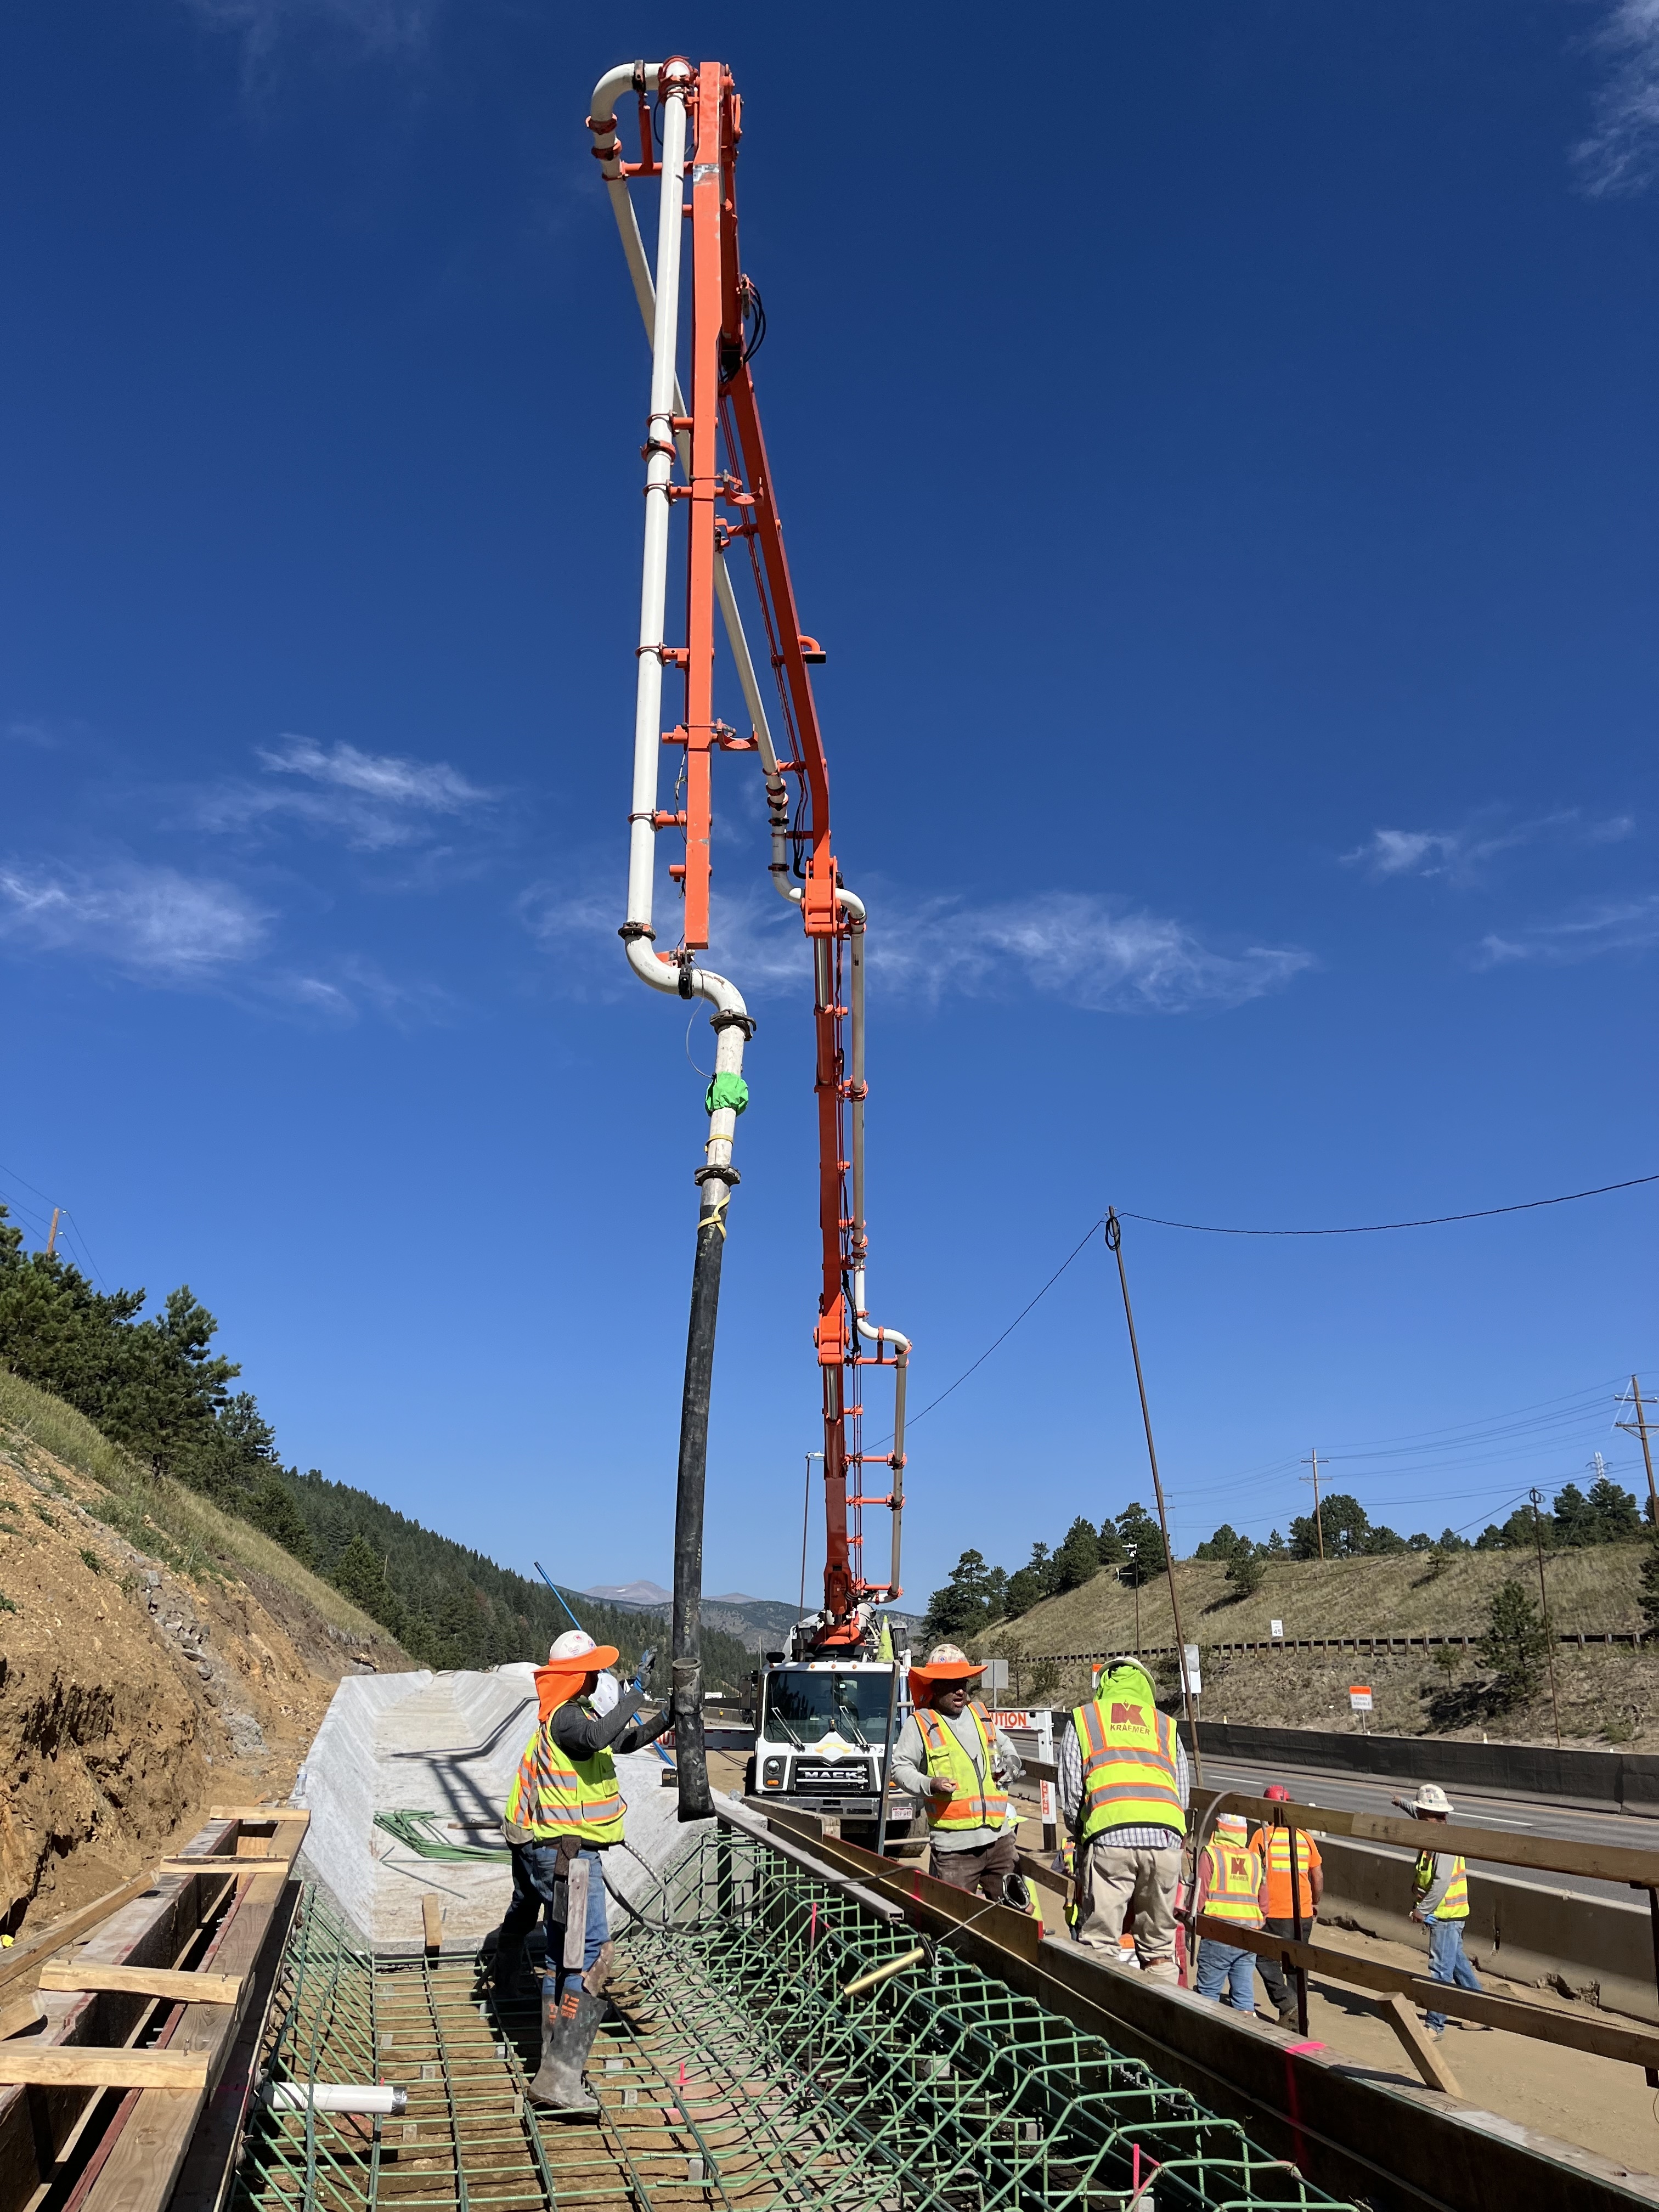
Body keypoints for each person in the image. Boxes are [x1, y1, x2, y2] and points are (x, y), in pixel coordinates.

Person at [495, 1629, 673, 2109]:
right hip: (568, 1856)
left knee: (560, 1957)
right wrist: (635, 1691)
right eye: (593, 1670)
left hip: (562, 1851)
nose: (598, 1677)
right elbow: (598, 1736)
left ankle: (555, 2059)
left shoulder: (575, 1718)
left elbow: (623, 1740)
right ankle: (560, 2075)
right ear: (577, 1677)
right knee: (593, 1954)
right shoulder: (568, 1721)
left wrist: (667, 1717)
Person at [1058, 1654, 1190, 1983]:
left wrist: (1084, 1833)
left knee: (1100, 1943)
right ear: (1146, 1687)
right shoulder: (1165, 1725)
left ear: (1103, 1684)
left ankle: (1103, 2021)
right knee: (1160, 1948)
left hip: (1110, 1838)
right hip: (1165, 1839)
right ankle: (1162, 2022)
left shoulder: (1086, 1720)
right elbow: (1182, 1794)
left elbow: (1073, 1791)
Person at [889, 1644, 1026, 1899]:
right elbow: (899, 1768)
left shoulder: (980, 1715)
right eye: (951, 1684)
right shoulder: (921, 1724)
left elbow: (1007, 1748)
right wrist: (930, 1784)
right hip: (955, 1850)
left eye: (963, 1682)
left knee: (1019, 1913)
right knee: (956, 1924)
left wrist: (1012, 1766)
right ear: (934, 1686)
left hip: (1000, 1840)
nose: (960, 1690)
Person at [1392, 1781, 1485, 2040]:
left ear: (1428, 1817)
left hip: (1445, 1914)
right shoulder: (1434, 1829)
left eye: (1420, 1814)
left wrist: (1422, 1910)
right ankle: (1481, 2011)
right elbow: (1419, 1812)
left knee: (1440, 1969)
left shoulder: (1442, 1843)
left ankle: (1435, 2025)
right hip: (1450, 1914)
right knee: (1455, 1962)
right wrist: (1402, 1803)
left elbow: (1442, 1881)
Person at [1249, 1783, 1323, 2027]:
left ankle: (1288, 2005)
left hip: (1274, 1913)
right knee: (1297, 1964)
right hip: (1301, 1913)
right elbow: (1318, 1876)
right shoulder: (1304, 1837)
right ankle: (1298, 2015)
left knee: (1263, 1958)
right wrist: (1315, 1903)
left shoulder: (1263, 1836)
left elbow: (1252, 1869)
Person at [1193, 1812, 1269, 2012]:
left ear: (1219, 1829)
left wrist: (1194, 1923)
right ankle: (1244, 2034)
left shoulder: (1211, 1854)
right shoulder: (1254, 1858)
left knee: (1208, 1994)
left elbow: (1199, 1896)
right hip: (1247, 1933)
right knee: (1244, 1995)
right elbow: (1264, 1901)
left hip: (1218, 1930)